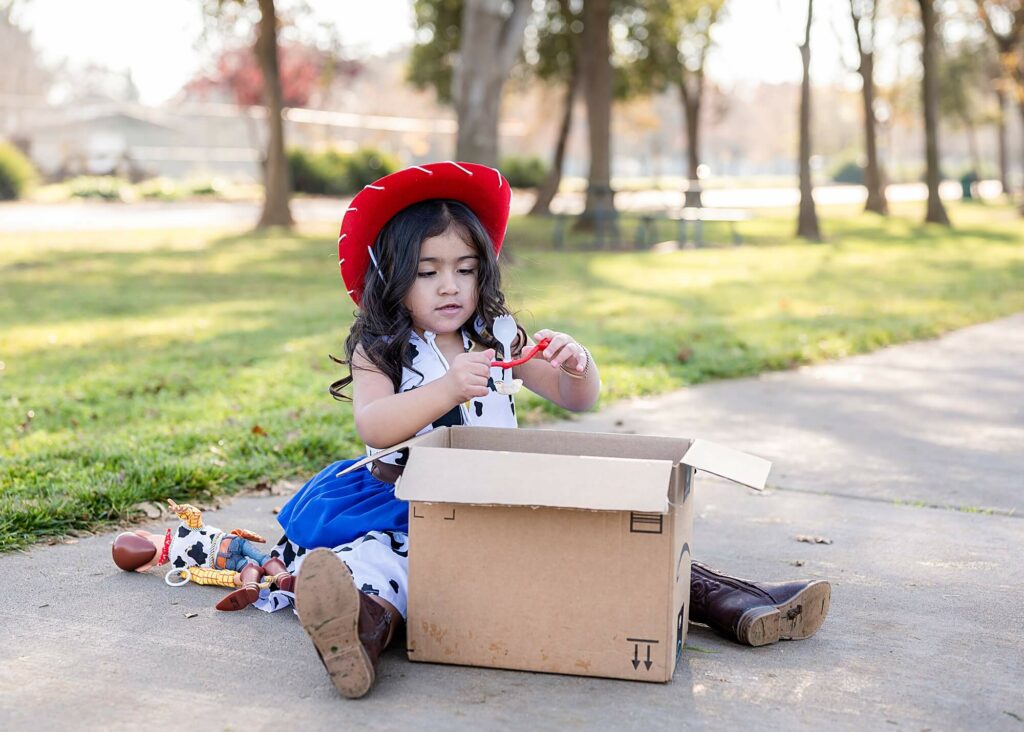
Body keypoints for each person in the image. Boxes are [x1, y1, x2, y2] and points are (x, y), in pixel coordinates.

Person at [264, 161, 831, 699]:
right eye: (428, 272)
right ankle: (356, 636)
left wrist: (577, 364)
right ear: (392, 276)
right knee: (391, 567)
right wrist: (445, 389)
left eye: (465, 269)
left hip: (504, 500)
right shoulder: (381, 349)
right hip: (410, 506)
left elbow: (575, 399)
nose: (450, 287)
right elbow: (375, 425)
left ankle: (741, 606)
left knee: (605, 549)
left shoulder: (496, 336)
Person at [112, 499, 295, 611]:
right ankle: (282, 575)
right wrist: (184, 510)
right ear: (145, 534)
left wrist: (234, 579)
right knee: (261, 558)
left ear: (144, 568)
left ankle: (250, 582)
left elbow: (206, 576)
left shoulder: (181, 568)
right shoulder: (183, 532)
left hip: (224, 562)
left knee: (247, 567)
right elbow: (195, 517)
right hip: (231, 541)